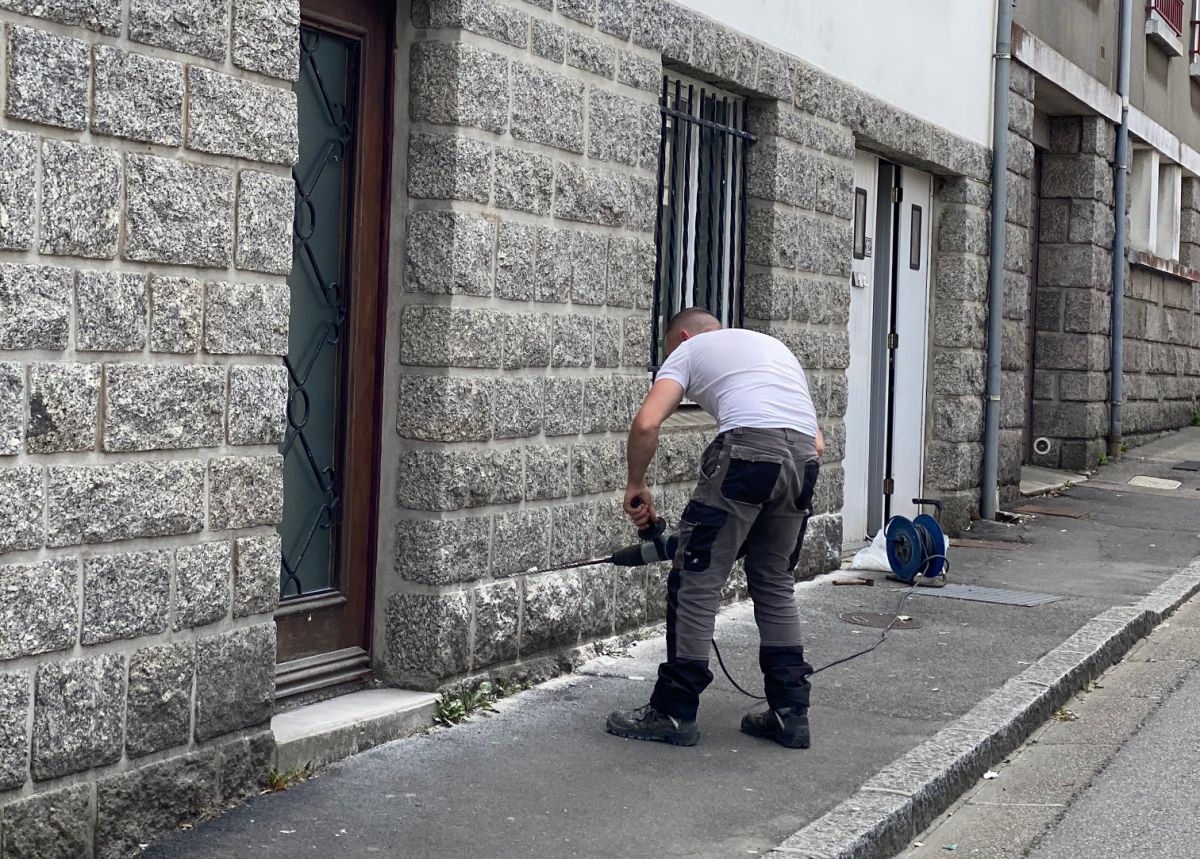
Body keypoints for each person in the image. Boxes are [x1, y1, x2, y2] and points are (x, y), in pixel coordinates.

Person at [605, 307, 823, 749]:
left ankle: (673, 710)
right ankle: (790, 712)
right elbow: (816, 441)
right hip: (804, 460)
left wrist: (635, 483)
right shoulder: (773, 349)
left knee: (696, 579)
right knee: (774, 580)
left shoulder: (690, 350)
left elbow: (647, 422)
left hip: (746, 451)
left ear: (683, 337)